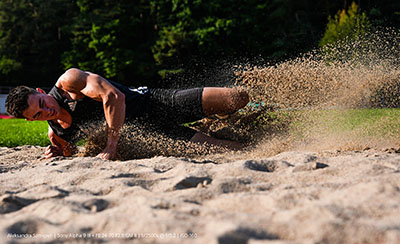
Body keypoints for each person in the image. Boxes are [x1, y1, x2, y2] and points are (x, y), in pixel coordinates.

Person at [6, 68, 249, 160]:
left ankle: (219, 115)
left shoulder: (69, 83)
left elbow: (114, 97)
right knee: (228, 149)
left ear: (40, 91)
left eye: (42, 102)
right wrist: (59, 153)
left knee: (237, 97)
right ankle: (214, 128)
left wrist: (111, 146)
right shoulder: (57, 132)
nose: (46, 109)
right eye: (38, 114)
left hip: (156, 103)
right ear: (31, 120)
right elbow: (71, 151)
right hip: (157, 133)